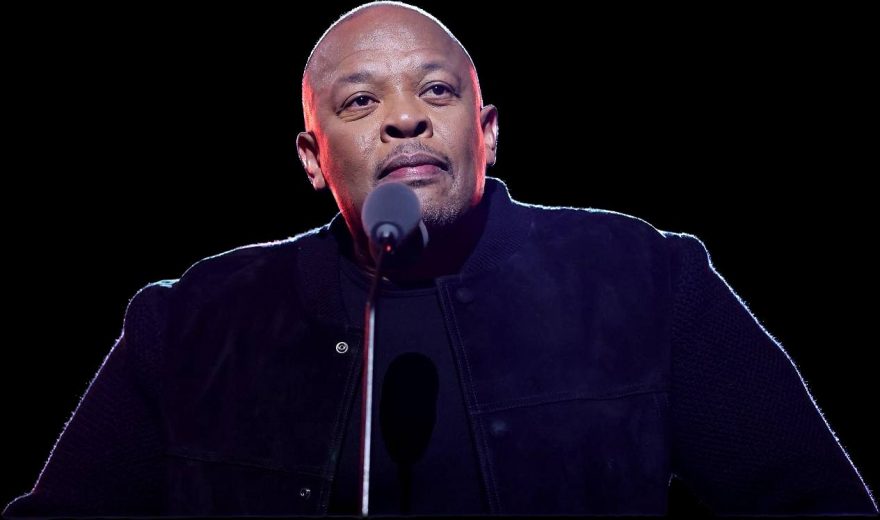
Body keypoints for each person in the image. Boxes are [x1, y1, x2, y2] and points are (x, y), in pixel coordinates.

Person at [4, 1, 877, 516]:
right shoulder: (192, 321)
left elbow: (818, 506)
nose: (404, 117)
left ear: (485, 132)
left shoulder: (647, 279)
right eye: (359, 101)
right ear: (311, 157)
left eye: (436, 89)